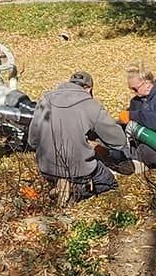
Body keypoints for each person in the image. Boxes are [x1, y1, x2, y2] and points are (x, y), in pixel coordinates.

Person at [28, 70, 127, 202]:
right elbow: (119, 140)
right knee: (110, 184)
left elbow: (32, 141)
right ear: (88, 88)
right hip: (79, 172)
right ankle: (77, 191)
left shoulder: (45, 100)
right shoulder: (89, 104)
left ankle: (61, 186)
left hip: (46, 169)